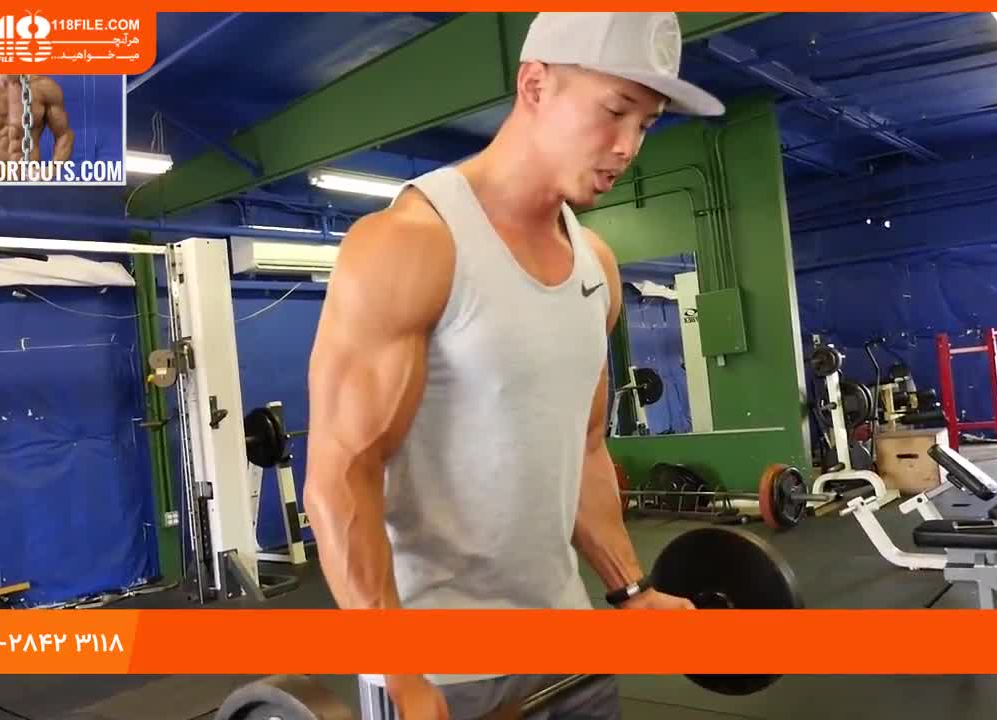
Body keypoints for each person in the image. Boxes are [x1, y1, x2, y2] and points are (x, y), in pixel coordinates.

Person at [302, 12, 724, 720]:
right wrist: (401, 674)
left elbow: (585, 448)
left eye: (646, 124)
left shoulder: (597, 267)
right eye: (614, 110)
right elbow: (342, 473)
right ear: (535, 85)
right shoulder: (412, 244)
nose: (627, 147)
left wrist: (629, 590)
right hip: (444, 671)